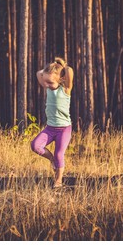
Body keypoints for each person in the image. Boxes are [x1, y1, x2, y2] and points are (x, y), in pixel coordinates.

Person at [31, 57, 74, 189]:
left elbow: (70, 71)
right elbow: (39, 73)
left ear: (60, 79)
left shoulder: (66, 90)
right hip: (50, 128)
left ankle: (58, 180)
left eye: (49, 82)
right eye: (46, 82)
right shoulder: (49, 88)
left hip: (64, 129)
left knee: (59, 153)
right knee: (35, 145)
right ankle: (52, 160)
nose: (46, 85)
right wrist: (50, 69)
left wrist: (62, 66)